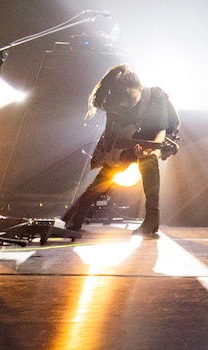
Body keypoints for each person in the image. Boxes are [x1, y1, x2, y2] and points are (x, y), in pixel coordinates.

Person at [61, 64, 180, 239]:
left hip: (155, 140)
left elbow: (161, 130)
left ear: (138, 88)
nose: (128, 101)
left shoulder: (156, 96)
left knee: (149, 164)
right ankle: (77, 214)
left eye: (130, 95)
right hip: (129, 142)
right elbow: (112, 131)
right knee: (106, 175)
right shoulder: (118, 102)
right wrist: (111, 155)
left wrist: (150, 152)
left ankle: (152, 219)